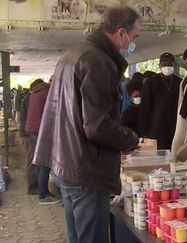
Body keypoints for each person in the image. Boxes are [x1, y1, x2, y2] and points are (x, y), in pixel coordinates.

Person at [32, 6, 140, 243]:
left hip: (66, 162)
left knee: (77, 237)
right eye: (134, 36)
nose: (133, 42)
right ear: (121, 33)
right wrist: (131, 140)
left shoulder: (74, 54)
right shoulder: (98, 61)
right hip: (87, 169)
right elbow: (97, 125)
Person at [25, 79, 60, 204]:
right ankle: (43, 195)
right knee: (45, 162)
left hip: (33, 129)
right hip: (42, 130)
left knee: (40, 162)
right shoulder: (49, 92)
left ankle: (42, 191)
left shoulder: (37, 91)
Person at [139, 53, 181, 149]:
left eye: (170, 64)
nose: (167, 67)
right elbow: (144, 107)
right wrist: (144, 132)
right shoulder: (151, 82)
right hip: (156, 128)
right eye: (164, 64)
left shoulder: (180, 82)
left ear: (174, 65)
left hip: (175, 127)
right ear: (159, 66)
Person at [20, 79, 44, 195]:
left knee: (32, 159)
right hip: (29, 134)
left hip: (27, 133)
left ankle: (34, 184)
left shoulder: (28, 98)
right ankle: (32, 186)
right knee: (31, 160)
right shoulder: (30, 99)